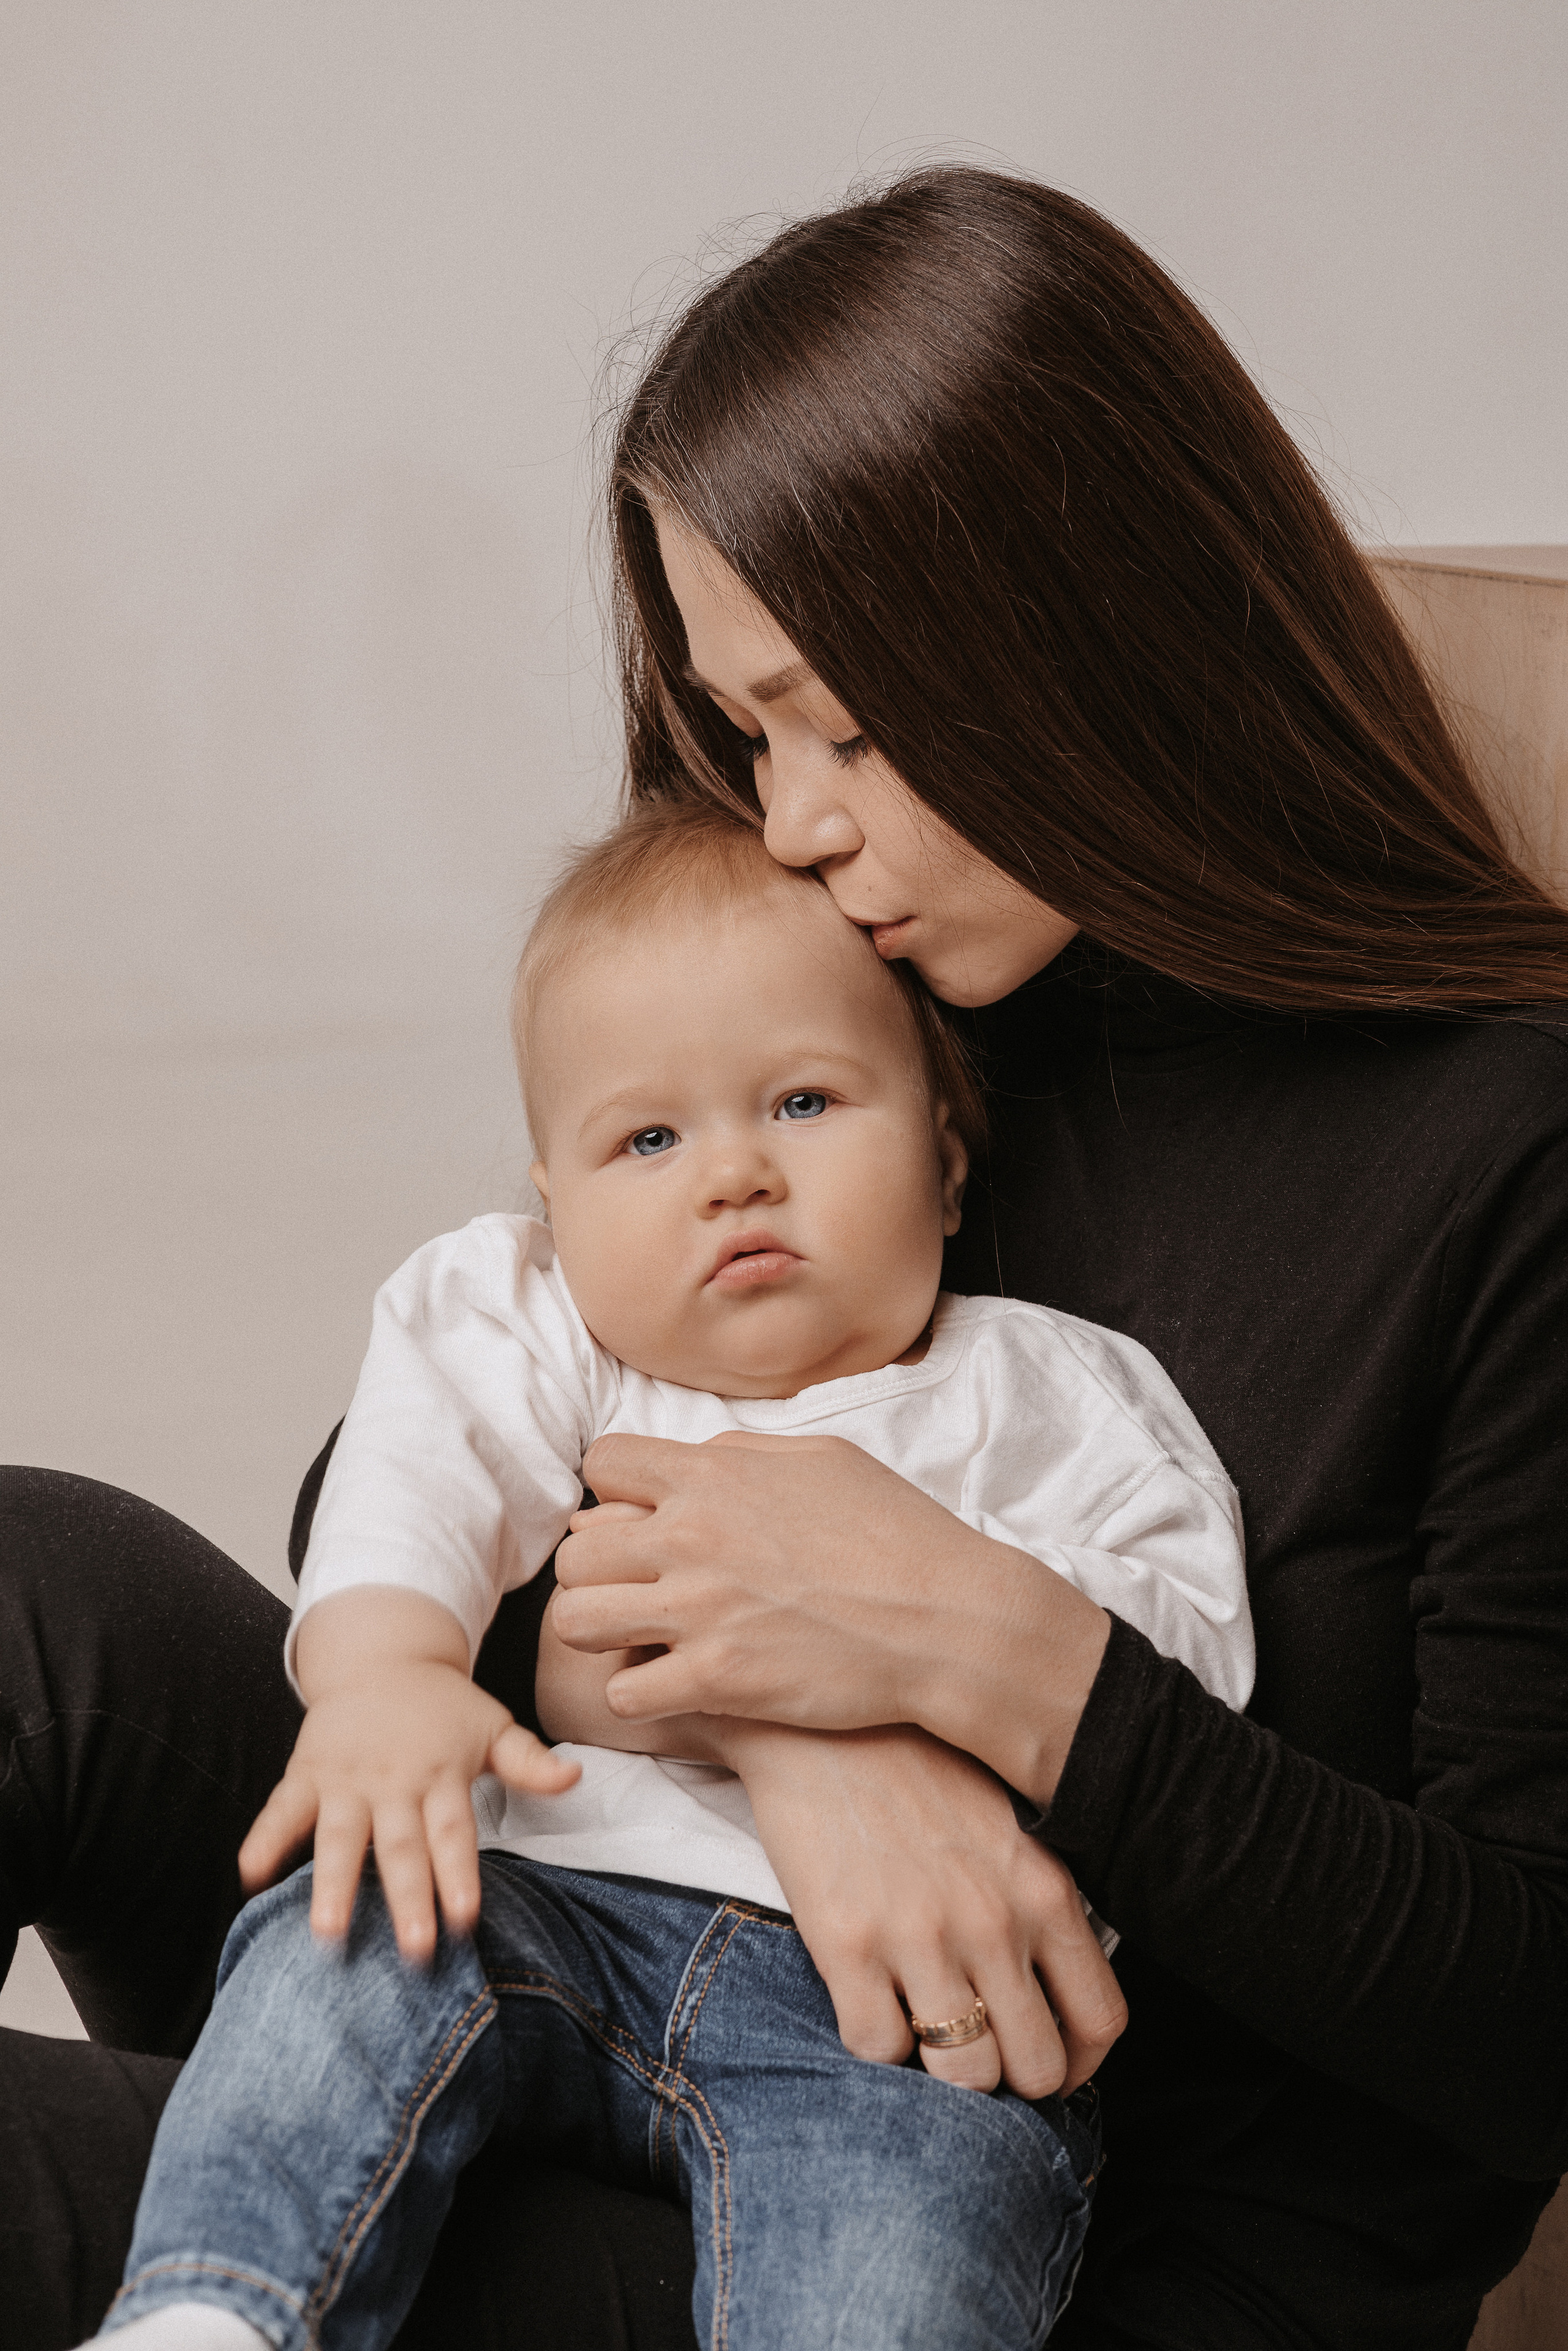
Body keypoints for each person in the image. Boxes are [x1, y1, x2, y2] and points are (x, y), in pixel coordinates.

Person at [4, 162, 1567, 2351]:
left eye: (851, 721)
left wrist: (1000, 1669)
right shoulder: (919, 980)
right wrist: (806, 1722)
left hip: (996, 2208)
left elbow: (1529, 2017)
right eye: (754, 730)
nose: (795, 816)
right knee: (33, 1580)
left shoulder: (1510, 1150)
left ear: (1102, 633)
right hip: (579, 1941)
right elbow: (455, 1411)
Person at [95, 801, 1253, 2351]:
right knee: (346, 1940)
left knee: (907, 2241)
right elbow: (412, 1470)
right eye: (648, 1138)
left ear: (948, 1159)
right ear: (554, 1209)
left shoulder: (1051, 1392)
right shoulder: (541, 1329)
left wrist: (919, 1675)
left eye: (801, 1099)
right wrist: (385, 1672)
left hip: (894, 2023)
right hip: (537, 1892)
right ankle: (214, 2314)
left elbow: (1175, 1683)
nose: (733, 1176)